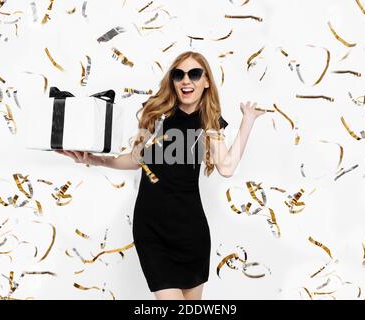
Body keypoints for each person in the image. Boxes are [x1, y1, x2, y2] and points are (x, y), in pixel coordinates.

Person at [56, 51, 266, 300]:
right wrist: (94, 159)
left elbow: (227, 167)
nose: (186, 81)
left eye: (194, 74)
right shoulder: (156, 114)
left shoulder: (210, 122)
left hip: (191, 231)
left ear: (206, 80)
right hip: (151, 228)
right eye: (179, 75)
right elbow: (136, 159)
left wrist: (248, 121)